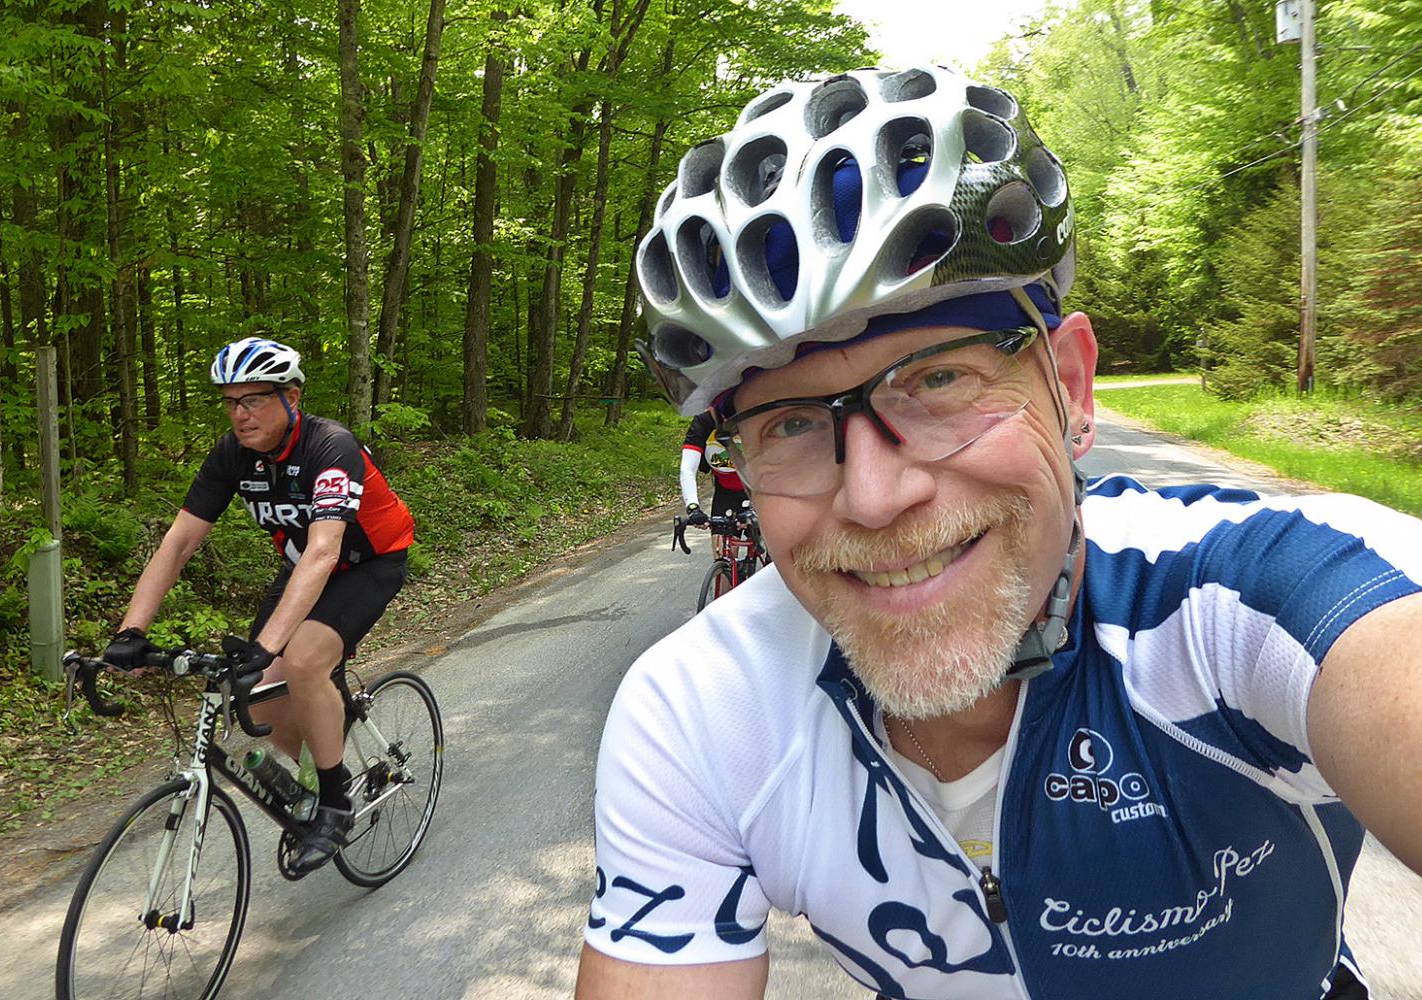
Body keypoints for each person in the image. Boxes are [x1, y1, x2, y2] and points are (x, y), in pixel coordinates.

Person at [576, 66, 1422, 1000]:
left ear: (1071, 388)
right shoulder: (700, 713)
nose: (873, 495)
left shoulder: (1247, 601)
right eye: (791, 424)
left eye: (937, 380)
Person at [104, 337, 415, 873]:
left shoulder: (330, 446)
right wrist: (131, 630)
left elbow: (325, 551)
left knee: (301, 660)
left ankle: (337, 805)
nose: (240, 414)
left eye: (253, 400)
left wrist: (270, 644)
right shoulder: (232, 455)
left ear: (291, 396)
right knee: (263, 696)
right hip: (303, 567)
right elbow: (178, 543)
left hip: (367, 562)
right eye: (230, 401)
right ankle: (321, 767)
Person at [679, 410, 749, 557]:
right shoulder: (703, 422)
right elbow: (688, 469)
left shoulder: (754, 415)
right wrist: (693, 508)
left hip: (761, 490)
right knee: (723, 557)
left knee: (777, 559)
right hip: (725, 493)